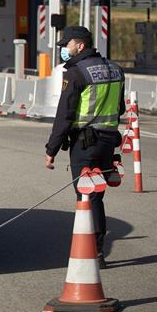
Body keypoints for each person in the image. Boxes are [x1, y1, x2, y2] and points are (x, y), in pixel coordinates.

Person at [44, 26, 125, 268]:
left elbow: (64, 116)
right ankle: (98, 251)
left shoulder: (77, 73)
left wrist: (51, 150)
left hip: (84, 143)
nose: (63, 50)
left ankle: (87, 251)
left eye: (66, 45)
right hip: (108, 142)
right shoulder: (115, 69)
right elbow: (119, 108)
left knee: (85, 197)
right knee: (96, 197)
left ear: (79, 45)